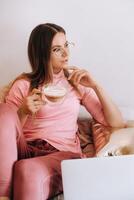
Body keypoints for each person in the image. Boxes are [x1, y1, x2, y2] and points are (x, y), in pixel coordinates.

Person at [0, 23, 125, 200]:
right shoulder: (23, 84)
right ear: (42, 54)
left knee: (26, 169)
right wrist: (24, 111)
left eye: (66, 45)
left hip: (60, 154)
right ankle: (2, 195)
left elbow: (116, 123)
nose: (66, 54)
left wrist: (96, 86)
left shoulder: (77, 83)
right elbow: (5, 133)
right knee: (4, 111)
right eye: (57, 49)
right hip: (26, 149)